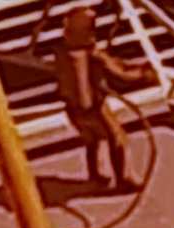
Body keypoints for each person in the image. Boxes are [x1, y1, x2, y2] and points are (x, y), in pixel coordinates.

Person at [51, 4, 149, 192]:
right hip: (94, 105)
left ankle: (97, 175)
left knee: (93, 140)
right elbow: (121, 72)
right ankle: (124, 176)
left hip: (74, 108)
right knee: (117, 138)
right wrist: (144, 74)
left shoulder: (61, 53)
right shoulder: (93, 54)